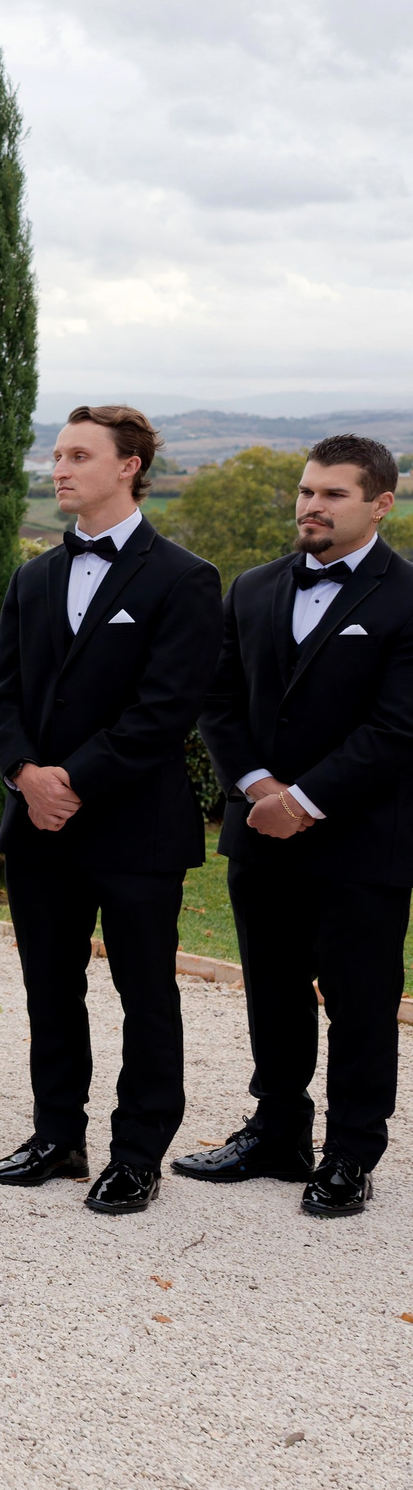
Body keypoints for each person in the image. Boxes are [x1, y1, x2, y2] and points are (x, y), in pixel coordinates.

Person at [0, 406, 219, 1216]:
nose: (59, 468)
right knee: (50, 989)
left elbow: (165, 709)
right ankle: (56, 1137)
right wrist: (22, 772)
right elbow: (2, 694)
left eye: (79, 454)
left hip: (134, 827)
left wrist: (69, 780)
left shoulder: (184, 577)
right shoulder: (34, 576)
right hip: (38, 826)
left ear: (130, 466)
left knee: (146, 992)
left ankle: (139, 1153)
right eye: (56, 454)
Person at [191, 434, 413, 1219]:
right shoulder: (252, 588)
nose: (312, 506)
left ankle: (352, 1153)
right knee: (274, 991)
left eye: (333, 495)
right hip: (260, 830)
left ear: (381, 503)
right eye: (306, 491)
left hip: (362, 842)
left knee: (361, 999)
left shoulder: (406, 597)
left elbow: (397, 728)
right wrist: (257, 789)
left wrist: (305, 800)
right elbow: (218, 700)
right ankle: (278, 1131)